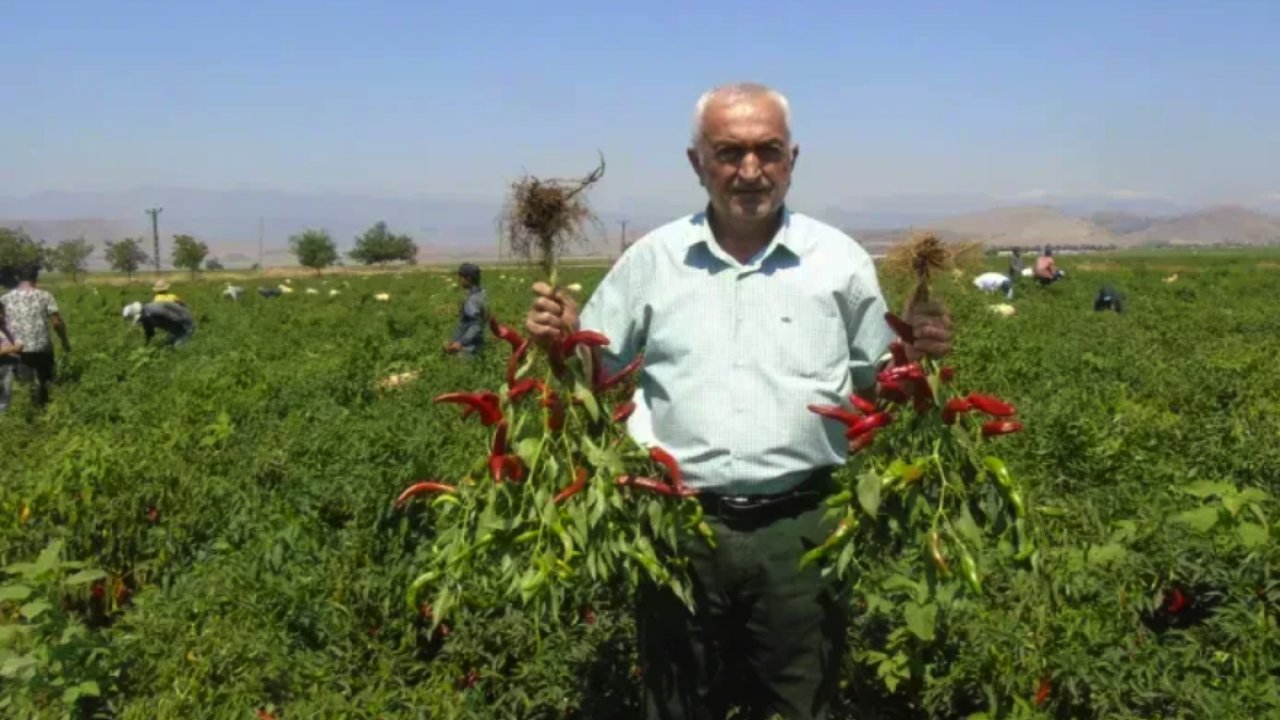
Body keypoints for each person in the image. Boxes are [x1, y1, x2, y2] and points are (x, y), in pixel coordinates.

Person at [524, 82, 952, 720]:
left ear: (792, 159)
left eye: (767, 151)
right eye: (729, 153)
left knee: (800, 700)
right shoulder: (653, 260)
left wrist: (919, 358)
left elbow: (878, 385)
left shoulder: (839, 262)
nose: (750, 170)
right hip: (677, 525)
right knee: (676, 700)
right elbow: (598, 374)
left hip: (804, 527)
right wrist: (563, 340)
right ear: (697, 162)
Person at [0, 264, 70, 407]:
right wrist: (64, 340)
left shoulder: (5, 299)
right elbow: (56, 323)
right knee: (45, 379)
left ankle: (28, 408)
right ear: (35, 278)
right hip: (42, 346)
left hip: (17, 348)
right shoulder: (45, 296)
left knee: (24, 382)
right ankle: (45, 406)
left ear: (19, 277)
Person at [445, 262, 489, 357]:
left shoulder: (472, 300)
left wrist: (460, 343)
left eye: (460, 277)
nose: (459, 280)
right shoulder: (482, 293)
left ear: (468, 278)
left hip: (469, 349)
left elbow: (476, 325)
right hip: (476, 344)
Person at [122, 301, 196, 347]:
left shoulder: (154, 310)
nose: (140, 321)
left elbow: (176, 317)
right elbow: (149, 332)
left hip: (185, 324)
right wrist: (146, 346)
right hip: (175, 329)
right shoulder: (146, 318)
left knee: (176, 347)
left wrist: (185, 330)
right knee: (166, 346)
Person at [0, 302, 24, 415]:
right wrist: (9, 349)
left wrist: (4, 329)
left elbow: (19, 347)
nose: (1, 316)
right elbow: (15, 347)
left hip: (9, 364)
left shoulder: (11, 325)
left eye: (2, 312)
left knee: (6, 393)